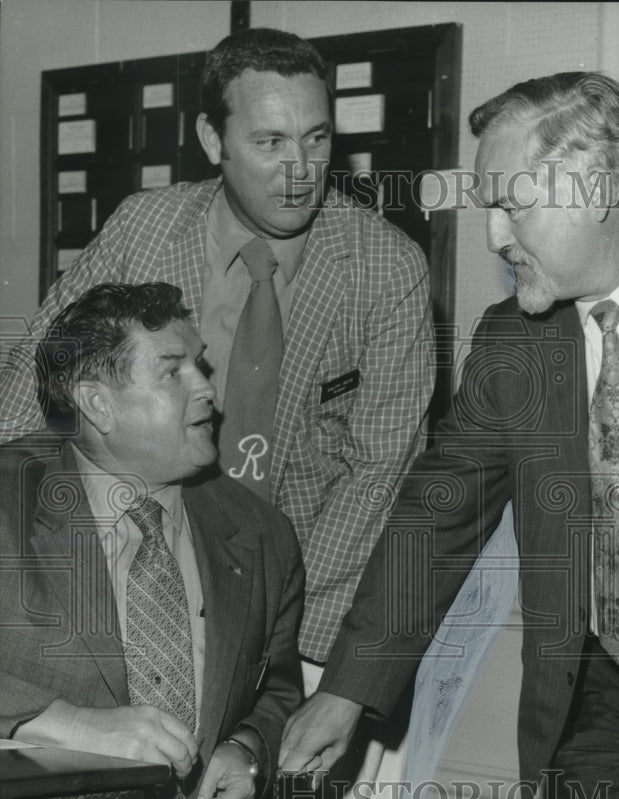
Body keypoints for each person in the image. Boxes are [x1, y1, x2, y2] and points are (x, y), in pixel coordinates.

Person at [279, 72, 619, 799]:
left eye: (513, 205)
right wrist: (345, 691)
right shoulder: (513, 342)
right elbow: (435, 521)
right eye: (488, 208)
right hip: (609, 703)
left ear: (598, 190)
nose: (495, 237)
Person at [0, 28, 435, 679]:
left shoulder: (387, 267)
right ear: (213, 140)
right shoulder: (143, 228)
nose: (301, 171)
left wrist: (290, 641)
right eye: (270, 142)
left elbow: (377, 474)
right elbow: (35, 382)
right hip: (118, 579)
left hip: (293, 598)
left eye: (316, 139)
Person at [0, 282, 304, 799]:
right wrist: (69, 724)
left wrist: (248, 751)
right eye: (172, 371)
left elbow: (276, 689)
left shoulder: (263, 534)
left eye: (199, 366)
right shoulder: (8, 501)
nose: (208, 390)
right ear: (97, 404)